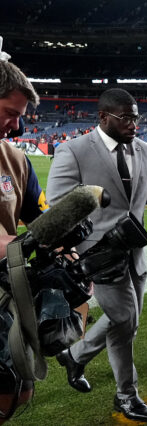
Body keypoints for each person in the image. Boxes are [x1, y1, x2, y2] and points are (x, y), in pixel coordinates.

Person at [47, 88, 147, 423]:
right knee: (125, 321)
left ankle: (75, 356)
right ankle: (127, 396)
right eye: (125, 117)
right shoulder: (75, 150)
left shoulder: (146, 150)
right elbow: (58, 204)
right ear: (103, 117)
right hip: (97, 256)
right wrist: (74, 248)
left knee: (126, 325)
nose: (133, 123)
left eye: (136, 116)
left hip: (134, 253)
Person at [0, 57, 49, 424]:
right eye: (8, 112)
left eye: (19, 116)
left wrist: (68, 250)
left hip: (5, 297)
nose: (16, 127)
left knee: (16, 390)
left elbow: (39, 217)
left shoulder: (16, 160)